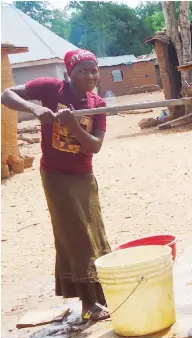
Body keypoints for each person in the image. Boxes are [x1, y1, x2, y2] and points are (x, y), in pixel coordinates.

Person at [1, 49, 111, 322]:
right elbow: (6, 95)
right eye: (82, 71)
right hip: (56, 177)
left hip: (84, 177)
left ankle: (101, 294)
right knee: (75, 235)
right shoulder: (53, 89)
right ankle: (88, 304)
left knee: (95, 233)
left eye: (93, 70)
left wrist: (74, 127)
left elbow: (95, 146)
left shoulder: (97, 103)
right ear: (69, 73)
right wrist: (35, 108)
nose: (90, 76)